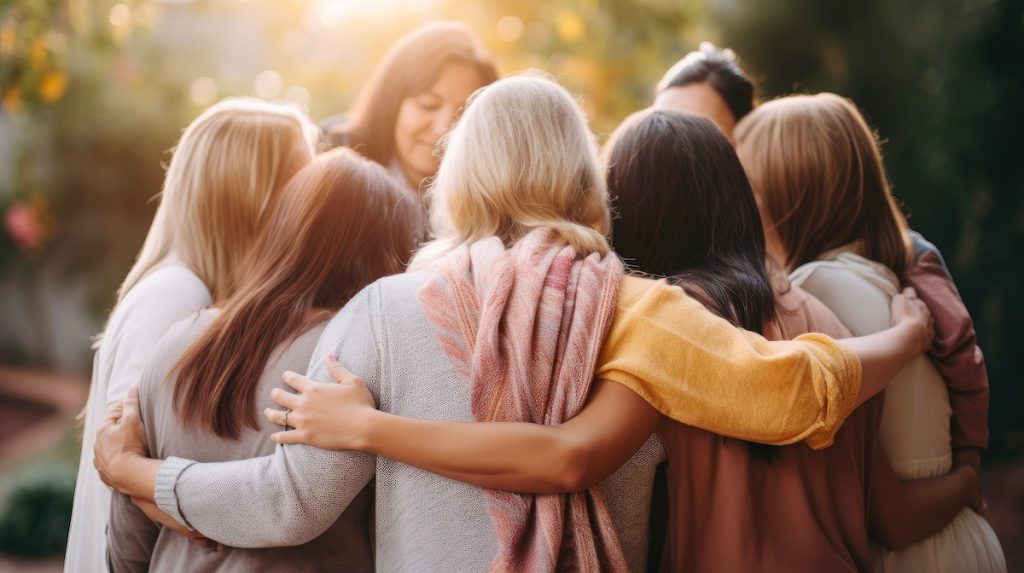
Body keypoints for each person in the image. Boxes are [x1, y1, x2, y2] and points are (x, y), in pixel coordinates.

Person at [94, 76, 930, 572]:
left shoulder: (385, 308)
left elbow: (288, 504)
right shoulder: (636, 309)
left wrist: (143, 477)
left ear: (461, 175)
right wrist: (906, 336)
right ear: (580, 171)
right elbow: (797, 392)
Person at [655, 44, 991, 475]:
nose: (680, 153)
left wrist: (966, 463)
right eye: (662, 126)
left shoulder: (854, 271)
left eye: (705, 137)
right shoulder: (653, 261)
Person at [106, 148, 418, 572]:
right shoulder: (349, 363)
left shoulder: (177, 342)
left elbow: (128, 540)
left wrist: (133, 474)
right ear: (389, 250)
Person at [734, 92, 1006, 572]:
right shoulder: (887, 273)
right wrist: (965, 478)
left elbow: (891, 518)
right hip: (954, 543)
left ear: (786, 194)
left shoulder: (815, 291)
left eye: (746, 187)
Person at [65, 98, 317, 573]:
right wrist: (214, 515)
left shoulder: (196, 290)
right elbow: (120, 449)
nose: (311, 198)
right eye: (299, 181)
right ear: (245, 192)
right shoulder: (177, 294)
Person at [321, 21, 498, 196]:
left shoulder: (492, 196)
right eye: (428, 105)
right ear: (392, 99)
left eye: (463, 114)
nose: (443, 128)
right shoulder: (326, 156)